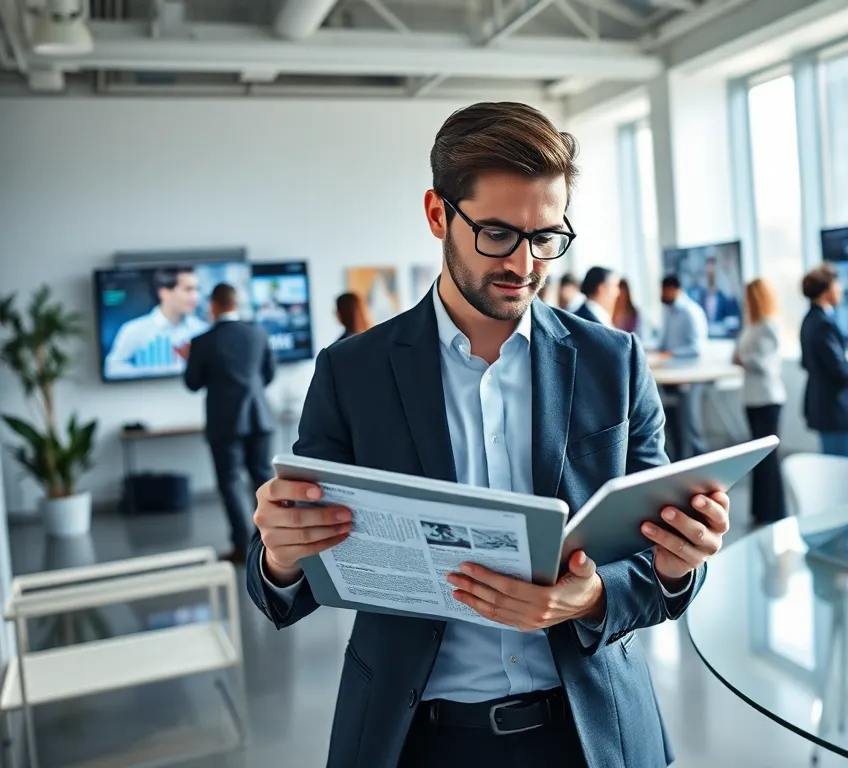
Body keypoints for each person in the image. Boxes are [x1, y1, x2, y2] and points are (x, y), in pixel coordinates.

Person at [245, 102, 731, 768]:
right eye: (498, 234)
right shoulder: (353, 372)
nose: (526, 264)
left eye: (547, 238)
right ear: (439, 214)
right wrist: (280, 552)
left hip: (591, 731)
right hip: (415, 738)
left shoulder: (612, 363)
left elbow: (660, 569)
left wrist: (614, 588)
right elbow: (282, 587)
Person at [183, 283, 276, 564]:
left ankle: (242, 547)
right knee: (264, 482)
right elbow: (269, 375)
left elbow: (192, 383)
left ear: (213, 305)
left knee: (230, 483)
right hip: (260, 416)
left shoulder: (202, 341)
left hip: (224, 422)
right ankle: (274, 545)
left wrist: (189, 359)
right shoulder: (258, 333)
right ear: (235, 303)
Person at [799, 264, 848, 459]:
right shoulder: (824, 324)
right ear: (826, 291)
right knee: (847, 473)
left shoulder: (810, 319)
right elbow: (839, 371)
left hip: (824, 407)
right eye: (836, 286)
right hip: (837, 410)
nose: (840, 290)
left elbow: (809, 362)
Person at [733, 279, 786, 526]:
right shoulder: (750, 326)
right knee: (757, 458)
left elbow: (767, 365)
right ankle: (760, 509)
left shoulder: (769, 327)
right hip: (751, 398)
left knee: (769, 458)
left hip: (768, 398)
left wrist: (745, 358)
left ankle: (775, 510)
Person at [104, 265, 210, 379]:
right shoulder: (134, 329)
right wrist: (150, 373)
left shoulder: (202, 330)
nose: (195, 297)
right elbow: (112, 368)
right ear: (164, 293)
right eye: (188, 289)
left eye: (197, 289)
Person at [653, 274, 710, 462]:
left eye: (664, 291)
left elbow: (697, 348)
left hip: (689, 378)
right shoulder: (668, 311)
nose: (662, 295)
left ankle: (701, 465)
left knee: (691, 424)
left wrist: (672, 353)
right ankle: (678, 463)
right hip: (670, 377)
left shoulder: (691, 312)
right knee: (672, 425)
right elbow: (663, 342)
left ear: (674, 290)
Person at [688, 254, 741, 335]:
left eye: (712, 274)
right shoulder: (699, 298)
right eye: (708, 274)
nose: (710, 277)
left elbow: (733, 324)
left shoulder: (727, 298)